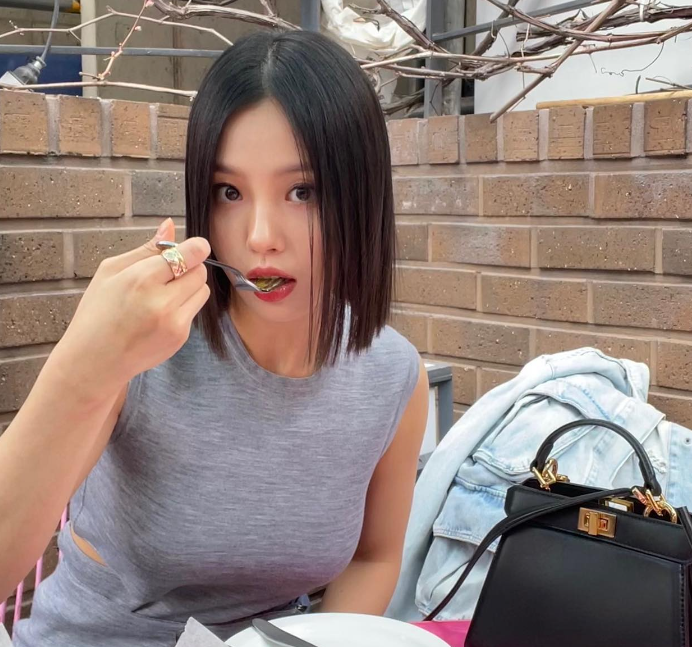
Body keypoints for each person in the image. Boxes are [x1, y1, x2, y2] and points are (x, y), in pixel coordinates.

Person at [5, 29, 428, 647]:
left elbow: (373, 557)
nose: (260, 236)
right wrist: (85, 363)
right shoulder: (147, 346)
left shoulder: (393, 376)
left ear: (361, 196)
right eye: (229, 192)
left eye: (303, 192)